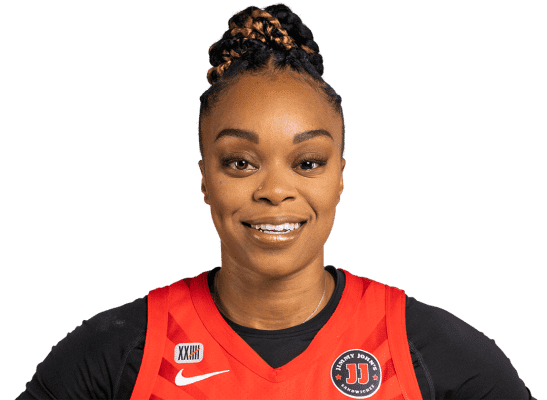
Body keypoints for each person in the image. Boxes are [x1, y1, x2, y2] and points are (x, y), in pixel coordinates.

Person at [15, 3, 536, 399]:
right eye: (240, 162)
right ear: (204, 179)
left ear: (339, 178)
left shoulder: (422, 349)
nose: (275, 189)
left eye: (307, 162)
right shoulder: (125, 350)